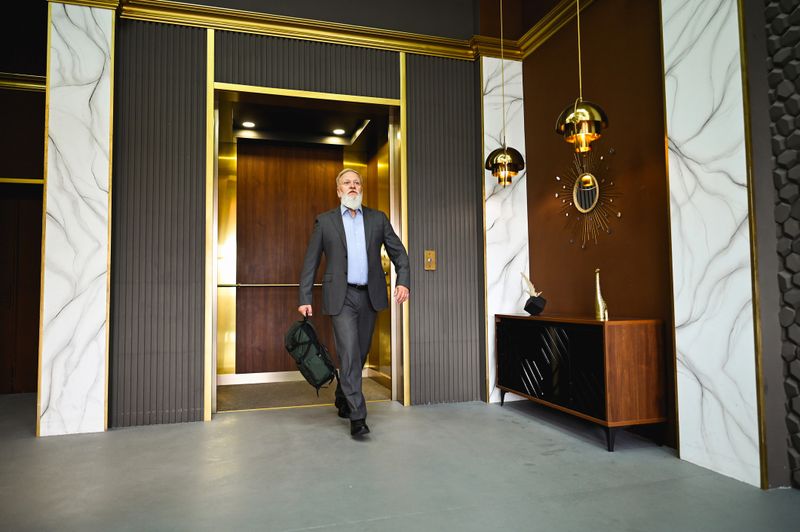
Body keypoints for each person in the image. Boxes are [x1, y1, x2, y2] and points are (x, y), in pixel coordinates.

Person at [298, 168, 410, 437]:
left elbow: (399, 253)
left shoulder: (378, 219)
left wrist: (403, 280)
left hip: (369, 296)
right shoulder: (325, 222)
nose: (352, 186)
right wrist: (304, 298)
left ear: (361, 189)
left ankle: (342, 394)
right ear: (338, 191)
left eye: (356, 183)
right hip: (341, 297)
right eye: (346, 183)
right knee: (348, 352)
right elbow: (310, 262)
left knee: (359, 353)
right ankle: (358, 416)